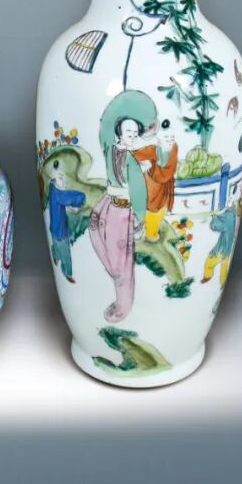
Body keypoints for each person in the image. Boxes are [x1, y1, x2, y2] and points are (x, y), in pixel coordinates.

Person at [89, 90, 156, 323]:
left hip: (122, 211)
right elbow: (105, 132)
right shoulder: (113, 150)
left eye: (135, 133)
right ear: (119, 134)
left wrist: (138, 219)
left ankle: (123, 306)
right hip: (110, 205)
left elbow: (138, 193)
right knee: (99, 237)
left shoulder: (128, 159)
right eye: (128, 132)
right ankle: (116, 285)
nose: (132, 136)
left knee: (121, 262)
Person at [134, 117, 178, 242]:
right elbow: (133, 155)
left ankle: (151, 231)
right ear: (158, 140)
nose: (170, 140)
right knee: (151, 210)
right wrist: (143, 164)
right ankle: (150, 234)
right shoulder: (154, 150)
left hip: (165, 187)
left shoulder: (174, 149)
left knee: (162, 210)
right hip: (152, 186)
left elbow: (170, 169)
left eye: (172, 138)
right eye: (166, 138)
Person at [44, 159, 86, 283]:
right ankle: (67, 273)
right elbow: (69, 197)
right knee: (65, 253)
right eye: (60, 179)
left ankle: (56, 256)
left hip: (55, 226)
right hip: (60, 229)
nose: (62, 182)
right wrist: (81, 199)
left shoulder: (52, 187)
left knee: (55, 243)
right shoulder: (58, 194)